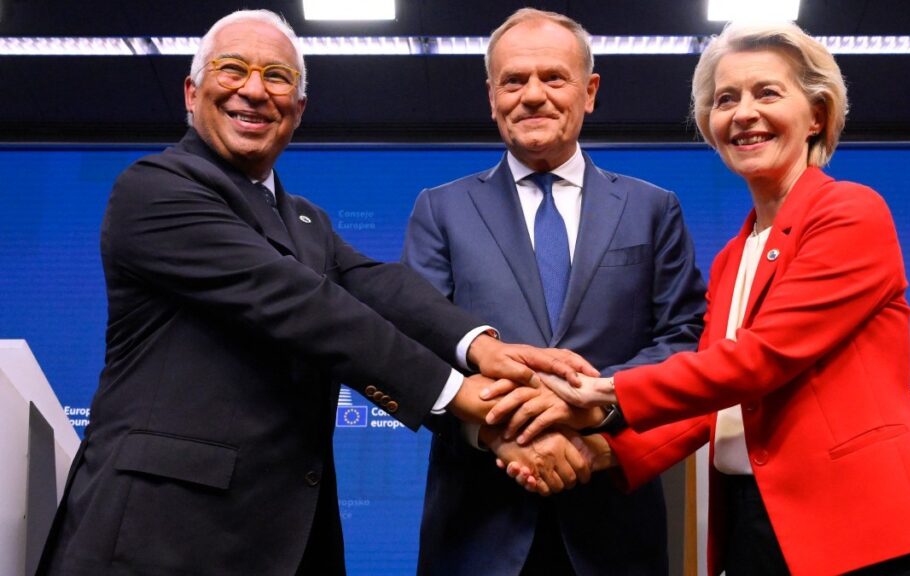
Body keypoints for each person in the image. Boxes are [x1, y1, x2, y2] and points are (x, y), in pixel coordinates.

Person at [36, 9, 594, 576]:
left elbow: (378, 287)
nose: (254, 90)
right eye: (232, 69)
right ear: (191, 91)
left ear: (298, 110)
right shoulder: (156, 190)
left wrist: (482, 349)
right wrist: (461, 397)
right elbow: (305, 307)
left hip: (285, 539)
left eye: (277, 77)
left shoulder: (304, 221)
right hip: (160, 539)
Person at [498, 21, 910, 576]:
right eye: (725, 100)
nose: (743, 113)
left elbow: (758, 361)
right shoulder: (732, 256)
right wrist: (600, 454)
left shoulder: (850, 212)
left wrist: (601, 392)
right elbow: (715, 401)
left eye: (767, 93)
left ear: (816, 115)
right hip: (757, 521)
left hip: (865, 528)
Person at [402, 8, 706, 576]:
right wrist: (499, 431)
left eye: (554, 78)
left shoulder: (652, 209)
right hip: (475, 531)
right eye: (514, 81)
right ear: (492, 97)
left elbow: (685, 338)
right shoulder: (439, 210)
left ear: (589, 92)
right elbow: (414, 345)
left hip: (614, 527)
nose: (533, 95)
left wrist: (590, 401)